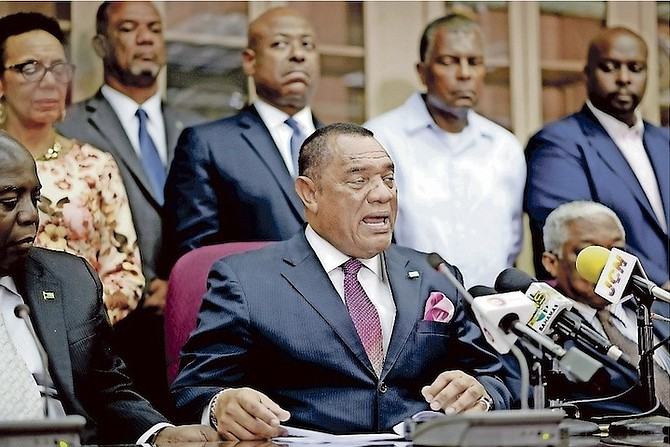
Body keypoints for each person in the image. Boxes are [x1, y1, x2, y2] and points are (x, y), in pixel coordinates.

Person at [171, 123, 512, 440]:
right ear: (310, 193)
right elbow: (193, 390)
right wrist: (220, 406)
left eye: (389, 179)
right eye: (358, 181)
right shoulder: (245, 280)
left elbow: (495, 377)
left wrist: (481, 395)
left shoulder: (434, 274)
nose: (382, 195)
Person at [0, 131, 220, 445]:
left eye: (34, 198)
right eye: (9, 202)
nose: (31, 215)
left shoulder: (68, 279)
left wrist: (159, 434)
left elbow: (108, 390)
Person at [56, 1, 204, 415]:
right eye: (128, 28)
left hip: (189, 324)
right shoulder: (67, 126)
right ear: (101, 44)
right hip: (107, 329)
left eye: (154, 28)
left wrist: (180, 283)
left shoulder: (197, 127)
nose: (144, 38)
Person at [0, 12, 143, 324]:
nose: (49, 81)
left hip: (80, 337)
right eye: (30, 67)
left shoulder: (95, 165)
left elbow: (126, 275)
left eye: (58, 68)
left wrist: (74, 324)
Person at [159, 6, 322, 279]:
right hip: (252, 311)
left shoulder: (347, 145)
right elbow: (196, 257)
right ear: (249, 60)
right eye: (280, 44)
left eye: (307, 44)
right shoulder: (208, 144)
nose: (298, 54)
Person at [364, 13, 525, 288]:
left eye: (474, 62)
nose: (464, 74)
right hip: (408, 310)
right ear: (422, 71)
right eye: (449, 62)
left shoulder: (504, 146)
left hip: (492, 311)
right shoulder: (380, 140)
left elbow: (511, 243)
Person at [525, 26, 669, 293]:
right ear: (587, 74)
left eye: (635, 68)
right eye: (609, 67)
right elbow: (577, 239)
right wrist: (660, 284)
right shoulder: (557, 143)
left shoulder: (665, 141)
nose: (624, 78)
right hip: (611, 310)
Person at [539, 200, 669, 417]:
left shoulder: (658, 311)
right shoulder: (544, 335)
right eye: (590, 253)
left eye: (617, 250)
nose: (607, 264)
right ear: (551, 262)